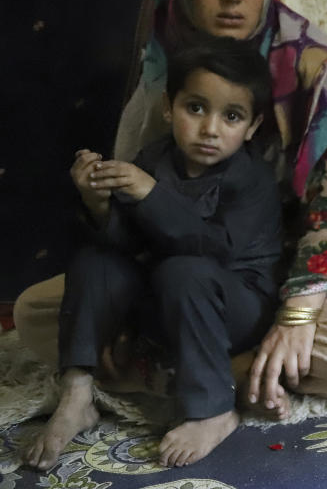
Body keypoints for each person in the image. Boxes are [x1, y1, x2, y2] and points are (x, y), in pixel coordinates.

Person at [13, 0, 327, 434]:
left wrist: (297, 316)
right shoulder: (161, 77)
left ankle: (180, 372)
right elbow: (137, 220)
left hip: (285, 274)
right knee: (35, 313)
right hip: (177, 271)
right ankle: (233, 373)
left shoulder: (310, 77)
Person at [27, 37, 282, 469]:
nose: (210, 128)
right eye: (195, 108)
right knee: (95, 261)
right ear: (169, 107)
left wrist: (150, 193)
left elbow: (214, 250)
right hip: (168, 299)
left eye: (232, 116)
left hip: (236, 306)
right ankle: (76, 392)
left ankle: (215, 410)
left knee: (184, 271)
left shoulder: (251, 179)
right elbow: (130, 245)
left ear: (253, 127)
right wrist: (99, 202)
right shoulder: (155, 157)